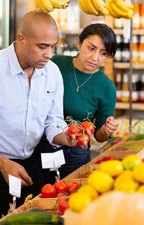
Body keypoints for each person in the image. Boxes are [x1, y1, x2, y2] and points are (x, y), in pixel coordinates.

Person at [0, 10, 87, 225]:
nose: (49, 54)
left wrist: (67, 138)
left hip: (31, 168)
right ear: (21, 39)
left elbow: (52, 121)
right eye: (42, 46)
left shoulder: (51, 73)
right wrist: (3, 164)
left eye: (53, 46)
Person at [34, 23, 119, 184]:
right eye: (91, 48)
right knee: (38, 197)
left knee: (69, 199)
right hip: (40, 146)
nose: (95, 58)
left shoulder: (106, 87)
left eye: (103, 53)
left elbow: (99, 137)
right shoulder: (56, 65)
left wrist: (107, 130)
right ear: (79, 43)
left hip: (74, 153)